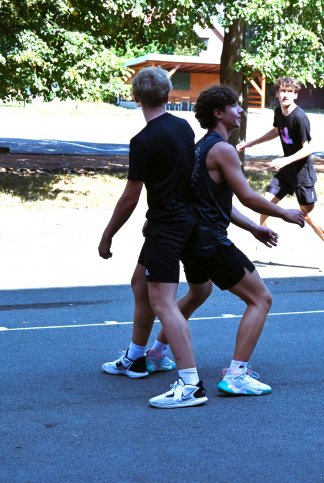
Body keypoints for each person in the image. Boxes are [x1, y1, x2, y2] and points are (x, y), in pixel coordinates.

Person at [147, 85, 305, 397]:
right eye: (235, 107)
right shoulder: (223, 149)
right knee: (261, 299)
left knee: (198, 292)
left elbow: (220, 202)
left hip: (191, 240)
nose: (241, 111)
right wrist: (282, 212)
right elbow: (246, 197)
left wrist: (253, 229)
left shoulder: (200, 147)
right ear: (219, 113)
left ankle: (155, 352)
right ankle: (236, 374)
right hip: (209, 241)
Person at [98, 66, 205, 408]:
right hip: (176, 219)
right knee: (139, 285)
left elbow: (130, 196)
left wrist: (107, 235)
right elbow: (185, 177)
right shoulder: (184, 127)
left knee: (163, 302)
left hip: (167, 225)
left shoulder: (142, 141)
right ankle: (136, 357)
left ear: (135, 98)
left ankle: (190, 384)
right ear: (169, 95)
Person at [237, 77, 324, 272]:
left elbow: (308, 149)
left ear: (295, 94)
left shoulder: (300, 118)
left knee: (307, 217)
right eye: (282, 90)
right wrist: (249, 144)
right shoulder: (279, 112)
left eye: (289, 91)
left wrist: (284, 160)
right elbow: (276, 131)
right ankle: (265, 243)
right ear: (277, 93)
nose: (285, 94)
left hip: (302, 174)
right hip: (286, 172)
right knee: (264, 205)